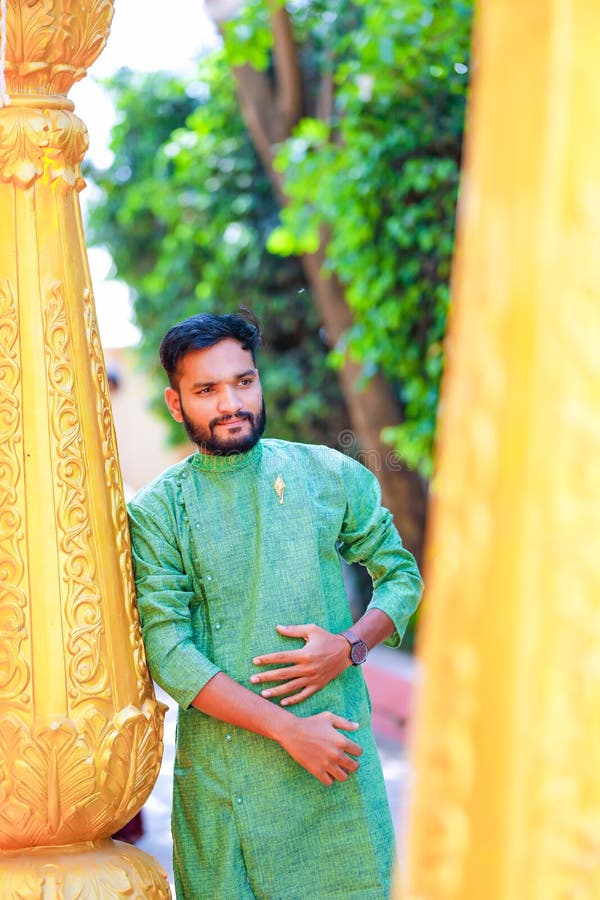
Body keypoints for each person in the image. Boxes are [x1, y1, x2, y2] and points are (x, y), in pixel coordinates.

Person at [127, 311, 423, 899]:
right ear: (175, 401)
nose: (231, 403)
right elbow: (169, 652)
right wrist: (289, 730)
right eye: (206, 390)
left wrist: (348, 647)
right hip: (226, 787)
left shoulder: (325, 474)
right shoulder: (160, 512)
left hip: (336, 770)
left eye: (244, 381)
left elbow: (401, 576)